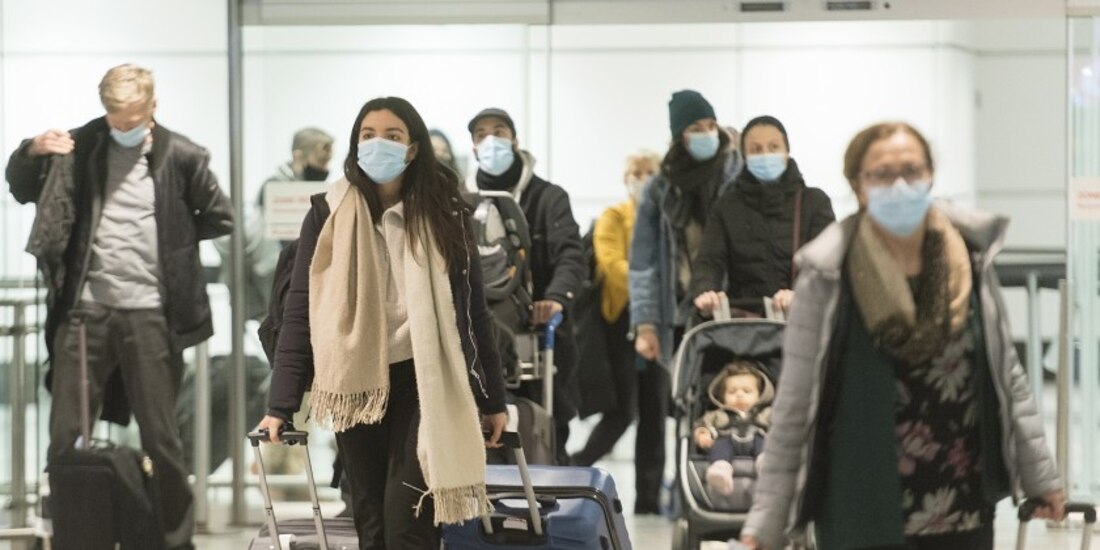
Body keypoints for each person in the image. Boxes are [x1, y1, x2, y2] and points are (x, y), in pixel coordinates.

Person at [740, 122, 1065, 550]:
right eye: (881, 174)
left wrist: (1041, 477)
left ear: (930, 176)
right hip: (860, 505)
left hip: (962, 502)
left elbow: (1007, 376)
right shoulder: (829, 272)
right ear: (858, 186)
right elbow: (796, 402)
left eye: (911, 171)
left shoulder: (970, 258)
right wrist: (767, 519)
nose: (899, 185)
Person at [257, 96, 509, 549]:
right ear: (355, 145)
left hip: (424, 380)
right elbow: (300, 312)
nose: (378, 145)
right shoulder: (327, 212)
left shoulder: (445, 213)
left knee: (408, 523)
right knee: (371, 525)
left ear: (412, 148)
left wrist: (492, 397)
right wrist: (281, 404)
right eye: (368, 135)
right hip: (355, 383)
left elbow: (472, 313)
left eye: (392, 136)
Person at [5, 63, 234, 550]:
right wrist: (30, 151)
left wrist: (172, 239)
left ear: (153, 106)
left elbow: (220, 217)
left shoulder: (183, 155)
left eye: (133, 117)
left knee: (162, 436)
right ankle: (72, 533)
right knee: (67, 432)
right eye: (115, 117)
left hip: (151, 313)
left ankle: (174, 540)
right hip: (85, 311)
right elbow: (21, 188)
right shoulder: (79, 146)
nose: (124, 126)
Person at [628, 89, 742, 512]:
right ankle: (688, 499)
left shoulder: (736, 175)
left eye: (711, 125)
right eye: (696, 128)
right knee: (685, 409)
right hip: (678, 313)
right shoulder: (662, 187)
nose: (707, 133)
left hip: (732, 310)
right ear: (679, 135)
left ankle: (732, 493)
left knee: (733, 398)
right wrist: (645, 324)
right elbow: (643, 261)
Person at [468, 107, 586, 466]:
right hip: (483, 324)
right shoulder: (464, 199)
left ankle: (550, 491)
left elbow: (571, 256)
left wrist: (556, 298)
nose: (491, 141)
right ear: (473, 147)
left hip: (540, 334)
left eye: (499, 132)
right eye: (481, 135)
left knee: (548, 427)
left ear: (515, 141)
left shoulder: (548, 198)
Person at [570, 151, 670, 509]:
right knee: (623, 410)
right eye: (635, 172)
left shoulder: (668, 217)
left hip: (660, 325)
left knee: (656, 411)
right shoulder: (613, 216)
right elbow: (612, 266)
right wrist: (653, 284)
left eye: (649, 172)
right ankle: (575, 465)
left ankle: (649, 498)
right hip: (619, 324)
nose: (642, 179)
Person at [691, 115, 835, 319]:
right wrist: (706, 292)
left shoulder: (814, 202)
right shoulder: (726, 206)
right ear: (745, 156)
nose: (766, 154)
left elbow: (827, 264)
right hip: (745, 324)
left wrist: (801, 294)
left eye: (774, 147)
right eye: (756, 149)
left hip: (803, 319)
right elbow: (709, 260)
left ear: (787, 151)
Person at [693, 361, 772, 511]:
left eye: (747, 391)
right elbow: (701, 425)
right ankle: (720, 469)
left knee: (764, 441)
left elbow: (780, 426)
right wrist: (702, 433)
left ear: (760, 395)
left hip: (757, 439)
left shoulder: (766, 413)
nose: (739, 395)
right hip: (727, 441)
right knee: (720, 444)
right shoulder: (717, 415)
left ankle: (766, 465)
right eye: (732, 392)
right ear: (722, 396)